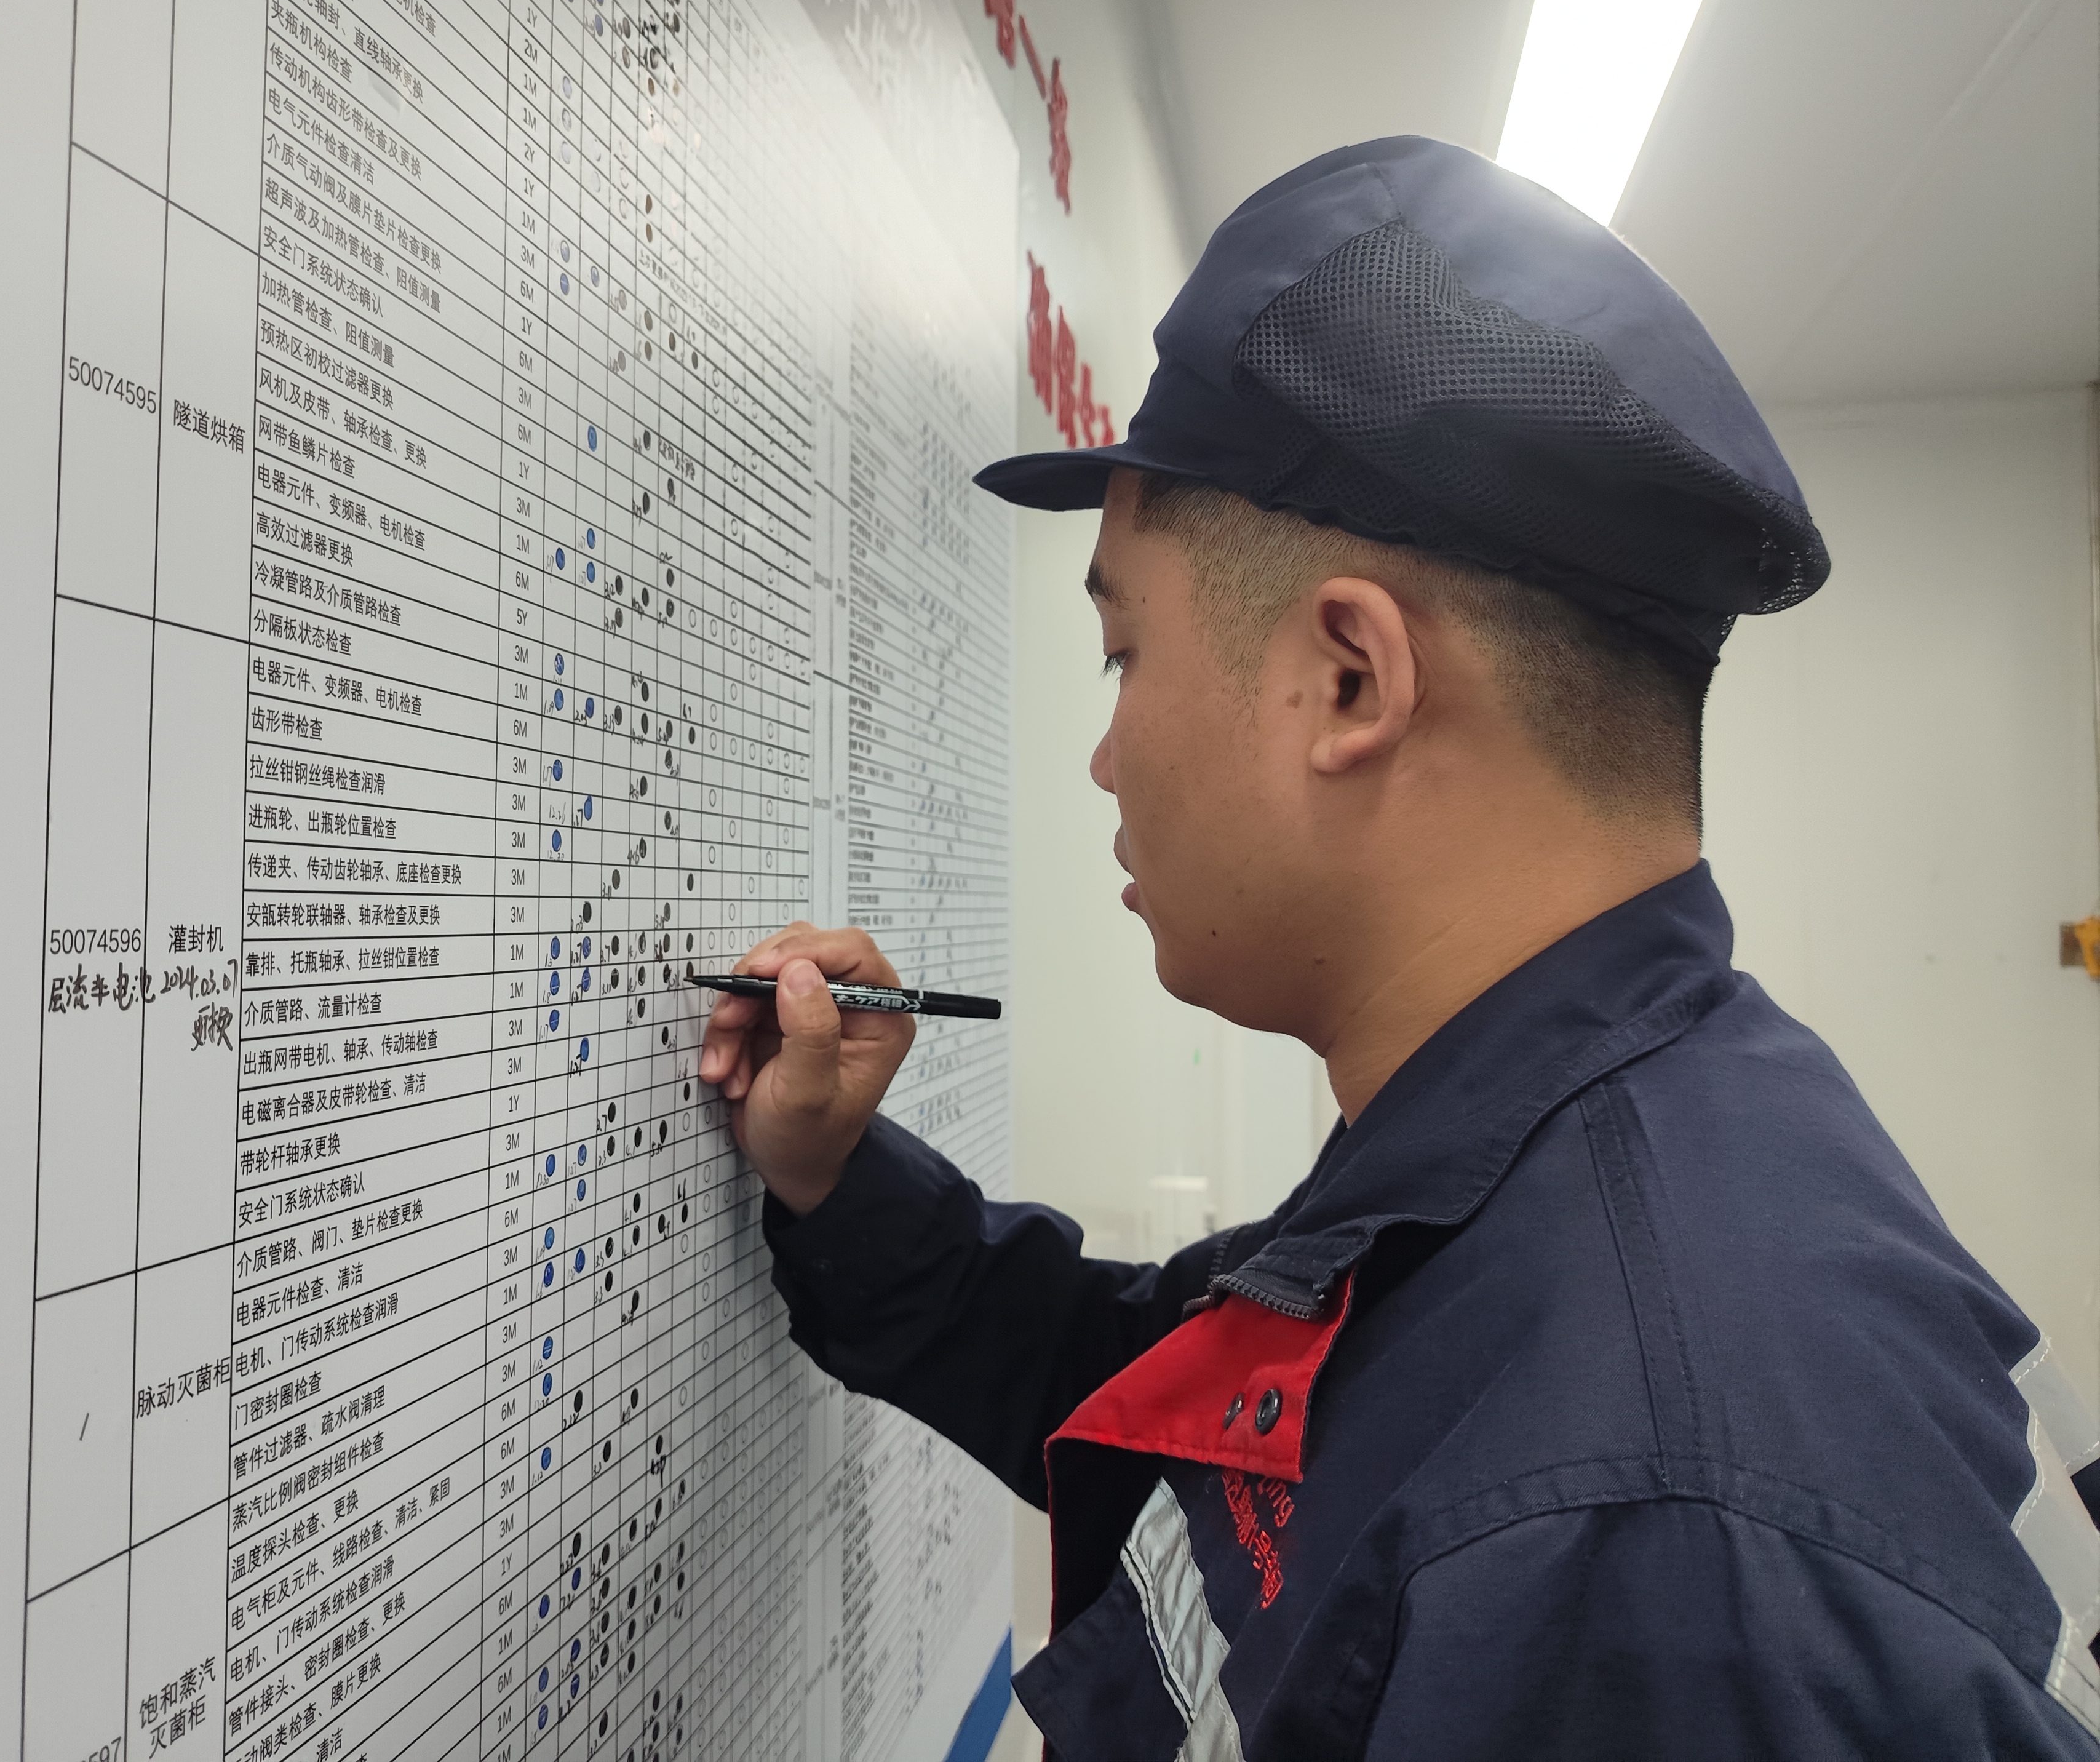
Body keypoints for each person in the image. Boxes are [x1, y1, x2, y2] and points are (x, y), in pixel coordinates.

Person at [698, 137, 2100, 1758]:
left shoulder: (1644, 1546)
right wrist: (831, 1172)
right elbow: (1172, 1408)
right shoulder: (1610, 1155)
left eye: (1123, 652)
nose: (1105, 755)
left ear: (1349, 681)